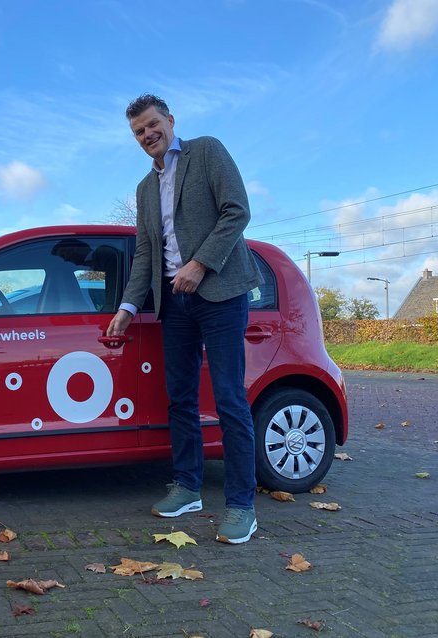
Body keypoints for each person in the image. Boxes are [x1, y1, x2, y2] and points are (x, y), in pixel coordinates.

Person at [106, 94, 262, 544]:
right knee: (179, 397)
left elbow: (238, 211)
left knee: (230, 398)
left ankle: (241, 506)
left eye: (152, 124)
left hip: (220, 294)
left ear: (170, 121)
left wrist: (200, 264)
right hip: (173, 303)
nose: (147, 134)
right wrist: (128, 306)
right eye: (138, 131)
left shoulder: (207, 151)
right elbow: (147, 254)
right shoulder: (143, 188)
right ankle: (188, 486)